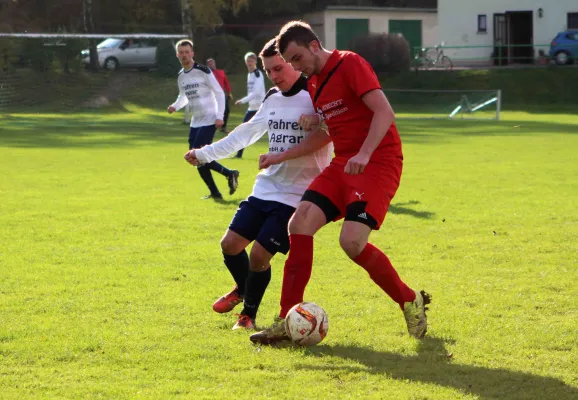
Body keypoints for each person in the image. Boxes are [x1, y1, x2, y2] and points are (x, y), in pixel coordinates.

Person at [250, 21, 431, 345]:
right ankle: (286, 319)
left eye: (296, 58)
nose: (294, 67)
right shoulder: (315, 83)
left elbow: (384, 112)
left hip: (377, 162)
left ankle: (409, 300)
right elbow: (330, 131)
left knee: (351, 243)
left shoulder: (350, 63)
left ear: (314, 46)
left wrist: (363, 153)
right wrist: (298, 141)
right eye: (289, 62)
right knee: (299, 222)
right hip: (344, 163)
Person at [183, 38, 332, 330]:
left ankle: (247, 315)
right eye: (268, 71)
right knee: (230, 245)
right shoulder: (273, 98)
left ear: (292, 61)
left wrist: (316, 119)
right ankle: (244, 289)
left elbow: (334, 129)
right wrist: (204, 154)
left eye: (278, 68)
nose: (274, 76)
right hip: (267, 188)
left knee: (259, 254)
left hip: (299, 196)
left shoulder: (316, 94)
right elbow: (245, 134)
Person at [167, 39, 239, 200]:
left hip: (210, 118)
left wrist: (220, 116)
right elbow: (183, 96)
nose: (185, 55)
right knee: (194, 157)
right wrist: (175, 106)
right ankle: (217, 190)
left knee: (196, 155)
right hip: (196, 121)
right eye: (181, 52)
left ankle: (228, 175)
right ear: (177, 55)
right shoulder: (181, 76)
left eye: (187, 52)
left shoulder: (203, 70)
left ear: (192, 53)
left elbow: (219, 93)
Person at [234, 52, 266, 158]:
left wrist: (242, 101)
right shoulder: (249, 74)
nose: (249, 63)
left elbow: (256, 93)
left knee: (271, 130)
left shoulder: (258, 74)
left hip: (261, 108)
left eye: (252, 61)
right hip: (252, 108)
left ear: (256, 62)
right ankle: (239, 154)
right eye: (248, 60)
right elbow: (251, 92)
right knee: (243, 130)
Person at [206, 58, 233, 132]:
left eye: (212, 63)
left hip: (221, 95)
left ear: (215, 64)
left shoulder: (221, 72)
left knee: (226, 110)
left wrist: (229, 92)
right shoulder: (207, 74)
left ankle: (223, 127)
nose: (211, 64)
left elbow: (226, 82)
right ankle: (210, 127)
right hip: (211, 95)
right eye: (209, 63)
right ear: (207, 65)